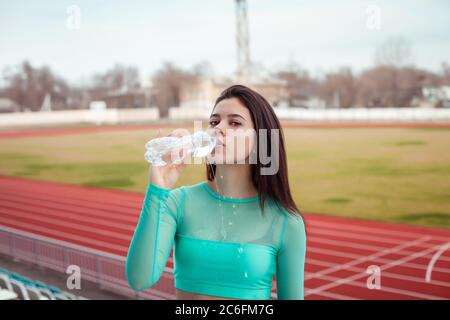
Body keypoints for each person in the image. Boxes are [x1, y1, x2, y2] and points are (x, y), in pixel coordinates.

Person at [126, 84, 307, 300]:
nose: (218, 128)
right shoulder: (179, 202)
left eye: (234, 123)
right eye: (214, 121)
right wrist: (159, 188)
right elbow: (139, 279)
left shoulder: (286, 221)